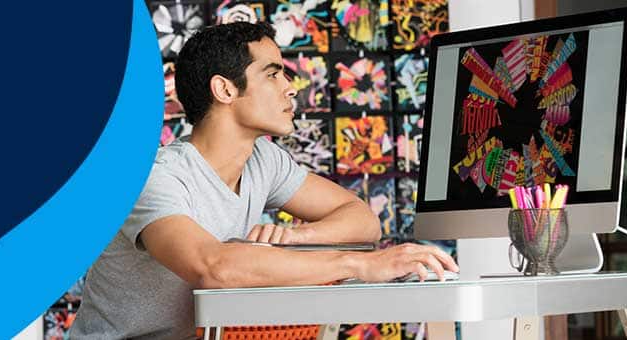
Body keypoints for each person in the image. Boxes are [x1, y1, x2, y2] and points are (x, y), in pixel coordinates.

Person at [69, 21, 458, 339]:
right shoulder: (154, 177)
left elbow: (363, 221)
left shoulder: (263, 161)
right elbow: (213, 268)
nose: (291, 86)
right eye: (273, 74)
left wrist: (295, 236)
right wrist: (359, 265)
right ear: (225, 89)